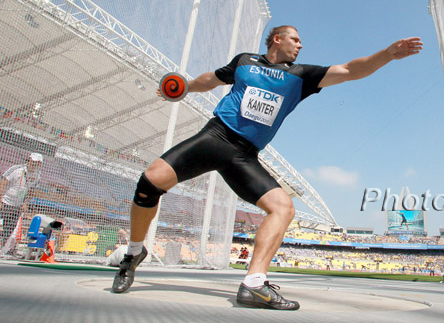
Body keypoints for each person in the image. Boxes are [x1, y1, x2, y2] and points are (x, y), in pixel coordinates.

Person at [112, 25, 422, 310]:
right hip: (215, 137)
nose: (300, 45)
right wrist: (185, 87)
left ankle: (254, 284)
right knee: (150, 181)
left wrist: (387, 54)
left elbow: (350, 70)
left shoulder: (302, 75)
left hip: (243, 156)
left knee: (283, 208)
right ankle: (134, 253)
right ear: (277, 38)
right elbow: (212, 79)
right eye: (295, 39)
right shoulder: (244, 61)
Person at [0, 152, 44, 254]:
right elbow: (3, 182)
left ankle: (3, 249)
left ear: (39, 164)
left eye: (36, 163)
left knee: (9, 229)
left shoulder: (37, 176)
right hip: (5, 201)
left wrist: (26, 203)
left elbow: (32, 190)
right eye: (32, 161)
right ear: (28, 160)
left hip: (17, 205)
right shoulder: (16, 170)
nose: (33, 164)